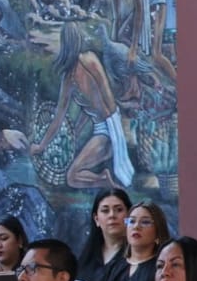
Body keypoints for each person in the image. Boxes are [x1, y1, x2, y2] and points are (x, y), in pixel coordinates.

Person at [31, 22, 136, 189]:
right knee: (73, 176)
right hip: (106, 125)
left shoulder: (77, 71)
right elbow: (94, 103)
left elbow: (59, 118)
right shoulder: (83, 64)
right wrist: (78, 131)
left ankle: (106, 182)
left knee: (72, 177)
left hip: (109, 129)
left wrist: (41, 146)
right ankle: (105, 182)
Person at [77, 188, 132, 281]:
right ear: (96, 219)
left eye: (119, 210)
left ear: (129, 216)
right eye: (105, 210)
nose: (112, 215)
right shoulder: (87, 257)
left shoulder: (137, 254)